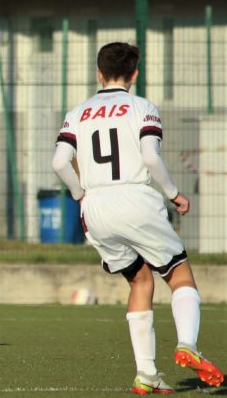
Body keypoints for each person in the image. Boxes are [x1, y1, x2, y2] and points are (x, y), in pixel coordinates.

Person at [52, 42, 223, 394]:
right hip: (135, 198)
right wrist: (174, 193)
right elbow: (150, 157)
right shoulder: (142, 107)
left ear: (98, 74)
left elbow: (58, 162)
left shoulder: (77, 112)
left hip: (95, 208)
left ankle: (147, 375)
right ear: (135, 73)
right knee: (179, 275)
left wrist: (78, 194)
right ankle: (187, 344)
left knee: (140, 281)